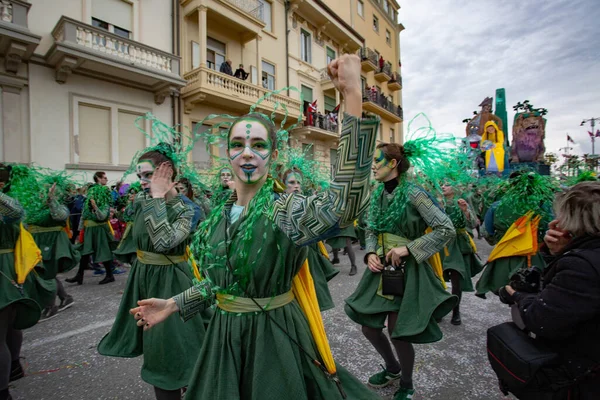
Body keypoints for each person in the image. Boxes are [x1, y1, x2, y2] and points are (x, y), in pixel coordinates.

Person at [130, 54, 385, 400]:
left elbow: (344, 206)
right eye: (238, 145)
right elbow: (223, 284)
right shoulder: (219, 214)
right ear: (228, 154)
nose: (247, 153)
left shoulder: (285, 209)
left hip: (273, 340)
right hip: (224, 340)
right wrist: (174, 304)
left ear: (274, 156)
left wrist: (353, 95)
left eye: (258, 145)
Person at [344, 143, 457, 400]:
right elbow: (371, 229)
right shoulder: (377, 194)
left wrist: (409, 248)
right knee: (369, 327)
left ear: (393, 164)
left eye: (377, 160)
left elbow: (445, 228)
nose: (372, 165)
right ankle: (393, 368)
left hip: (407, 270)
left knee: (398, 331)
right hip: (380, 268)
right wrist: (371, 252)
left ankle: (406, 383)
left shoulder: (415, 193)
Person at [98, 146, 208, 400]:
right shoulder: (141, 202)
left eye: (149, 175)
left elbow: (164, 242)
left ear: (169, 174)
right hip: (144, 279)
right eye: (140, 177)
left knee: (173, 348)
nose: (144, 183)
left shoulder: (188, 208)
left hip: (173, 282)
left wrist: (158, 199)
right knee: (155, 346)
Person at [502, 181, 600, 399]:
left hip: (582, 377)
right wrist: (559, 253)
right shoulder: (585, 257)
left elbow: (542, 319)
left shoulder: (582, 266)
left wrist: (518, 295)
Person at [0, 164, 56, 400]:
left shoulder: (9, 205)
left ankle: (3, 389)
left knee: (5, 329)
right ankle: (12, 367)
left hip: (8, 268)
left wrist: (52, 202)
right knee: (9, 327)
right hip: (13, 265)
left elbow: (18, 213)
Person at [283, 168, 339, 311]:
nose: (296, 185)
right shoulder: (277, 205)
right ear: (283, 184)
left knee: (310, 306)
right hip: (287, 266)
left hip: (309, 262)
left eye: (298, 183)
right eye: (291, 182)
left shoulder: (307, 203)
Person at [28, 182, 80, 321]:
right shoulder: (35, 207)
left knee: (46, 273)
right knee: (42, 273)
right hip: (36, 242)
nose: (41, 194)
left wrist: (51, 200)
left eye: (45, 191)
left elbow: (60, 216)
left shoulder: (59, 206)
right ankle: (65, 298)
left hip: (52, 243)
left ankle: (50, 306)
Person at [440, 183, 483, 325]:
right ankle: (439, 310)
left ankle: (456, 311)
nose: (443, 187)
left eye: (447, 185)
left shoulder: (461, 202)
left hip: (458, 245)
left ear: (455, 188)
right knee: (437, 278)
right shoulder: (438, 202)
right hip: (442, 243)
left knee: (456, 279)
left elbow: (472, 224)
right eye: (442, 185)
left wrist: (465, 211)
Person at [66, 181, 116, 285]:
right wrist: (80, 231)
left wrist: (95, 207)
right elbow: (83, 217)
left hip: (100, 230)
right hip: (88, 230)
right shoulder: (86, 203)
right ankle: (79, 275)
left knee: (103, 252)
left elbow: (102, 217)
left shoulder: (103, 203)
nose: (89, 194)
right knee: (85, 253)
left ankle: (110, 275)